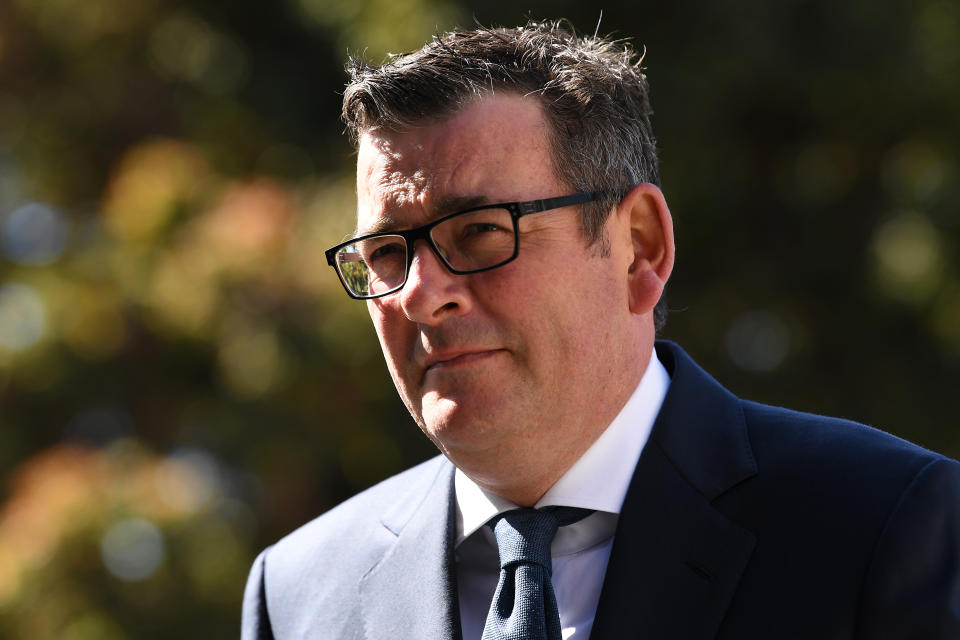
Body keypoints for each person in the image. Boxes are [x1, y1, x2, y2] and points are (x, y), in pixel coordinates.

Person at [242, 21, 960, 639]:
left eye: (481, 233)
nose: (423, 294)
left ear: (640, 248)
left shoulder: (885, 526)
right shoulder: (300, 595)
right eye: (388, 253)